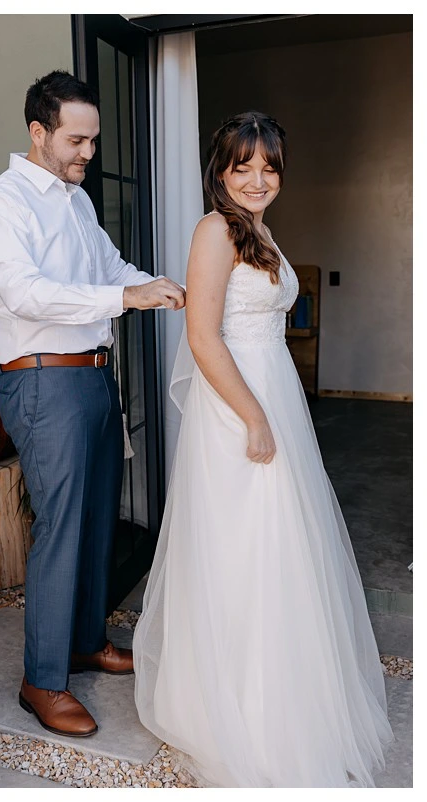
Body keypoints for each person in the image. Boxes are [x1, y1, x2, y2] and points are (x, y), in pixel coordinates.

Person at [132, 112, 392, 786]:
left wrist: (273, 410)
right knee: (244, 544)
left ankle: (281, 688)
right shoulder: (215, 230)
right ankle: (234, 703)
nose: (256, 179)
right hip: (237, 407)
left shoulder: (259, 230)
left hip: (274, 393)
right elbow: (202, 336)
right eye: (242, 166)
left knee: (281, 545)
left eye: (268, 167)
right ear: (219, 171)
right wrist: (253, 417)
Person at [0, 70, 185, 738]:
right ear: (38, 132)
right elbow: (26, 293)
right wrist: (125, 298)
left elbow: (110, 269)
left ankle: (87, 643)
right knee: (62, 527)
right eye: (76, 140)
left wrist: (156, 285)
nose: (88, 153)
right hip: (43, 382)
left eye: (93, 140)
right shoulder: (2, 202)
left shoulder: (77, 202)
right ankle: (42, 680)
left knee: (97, 519)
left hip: (93, 378)